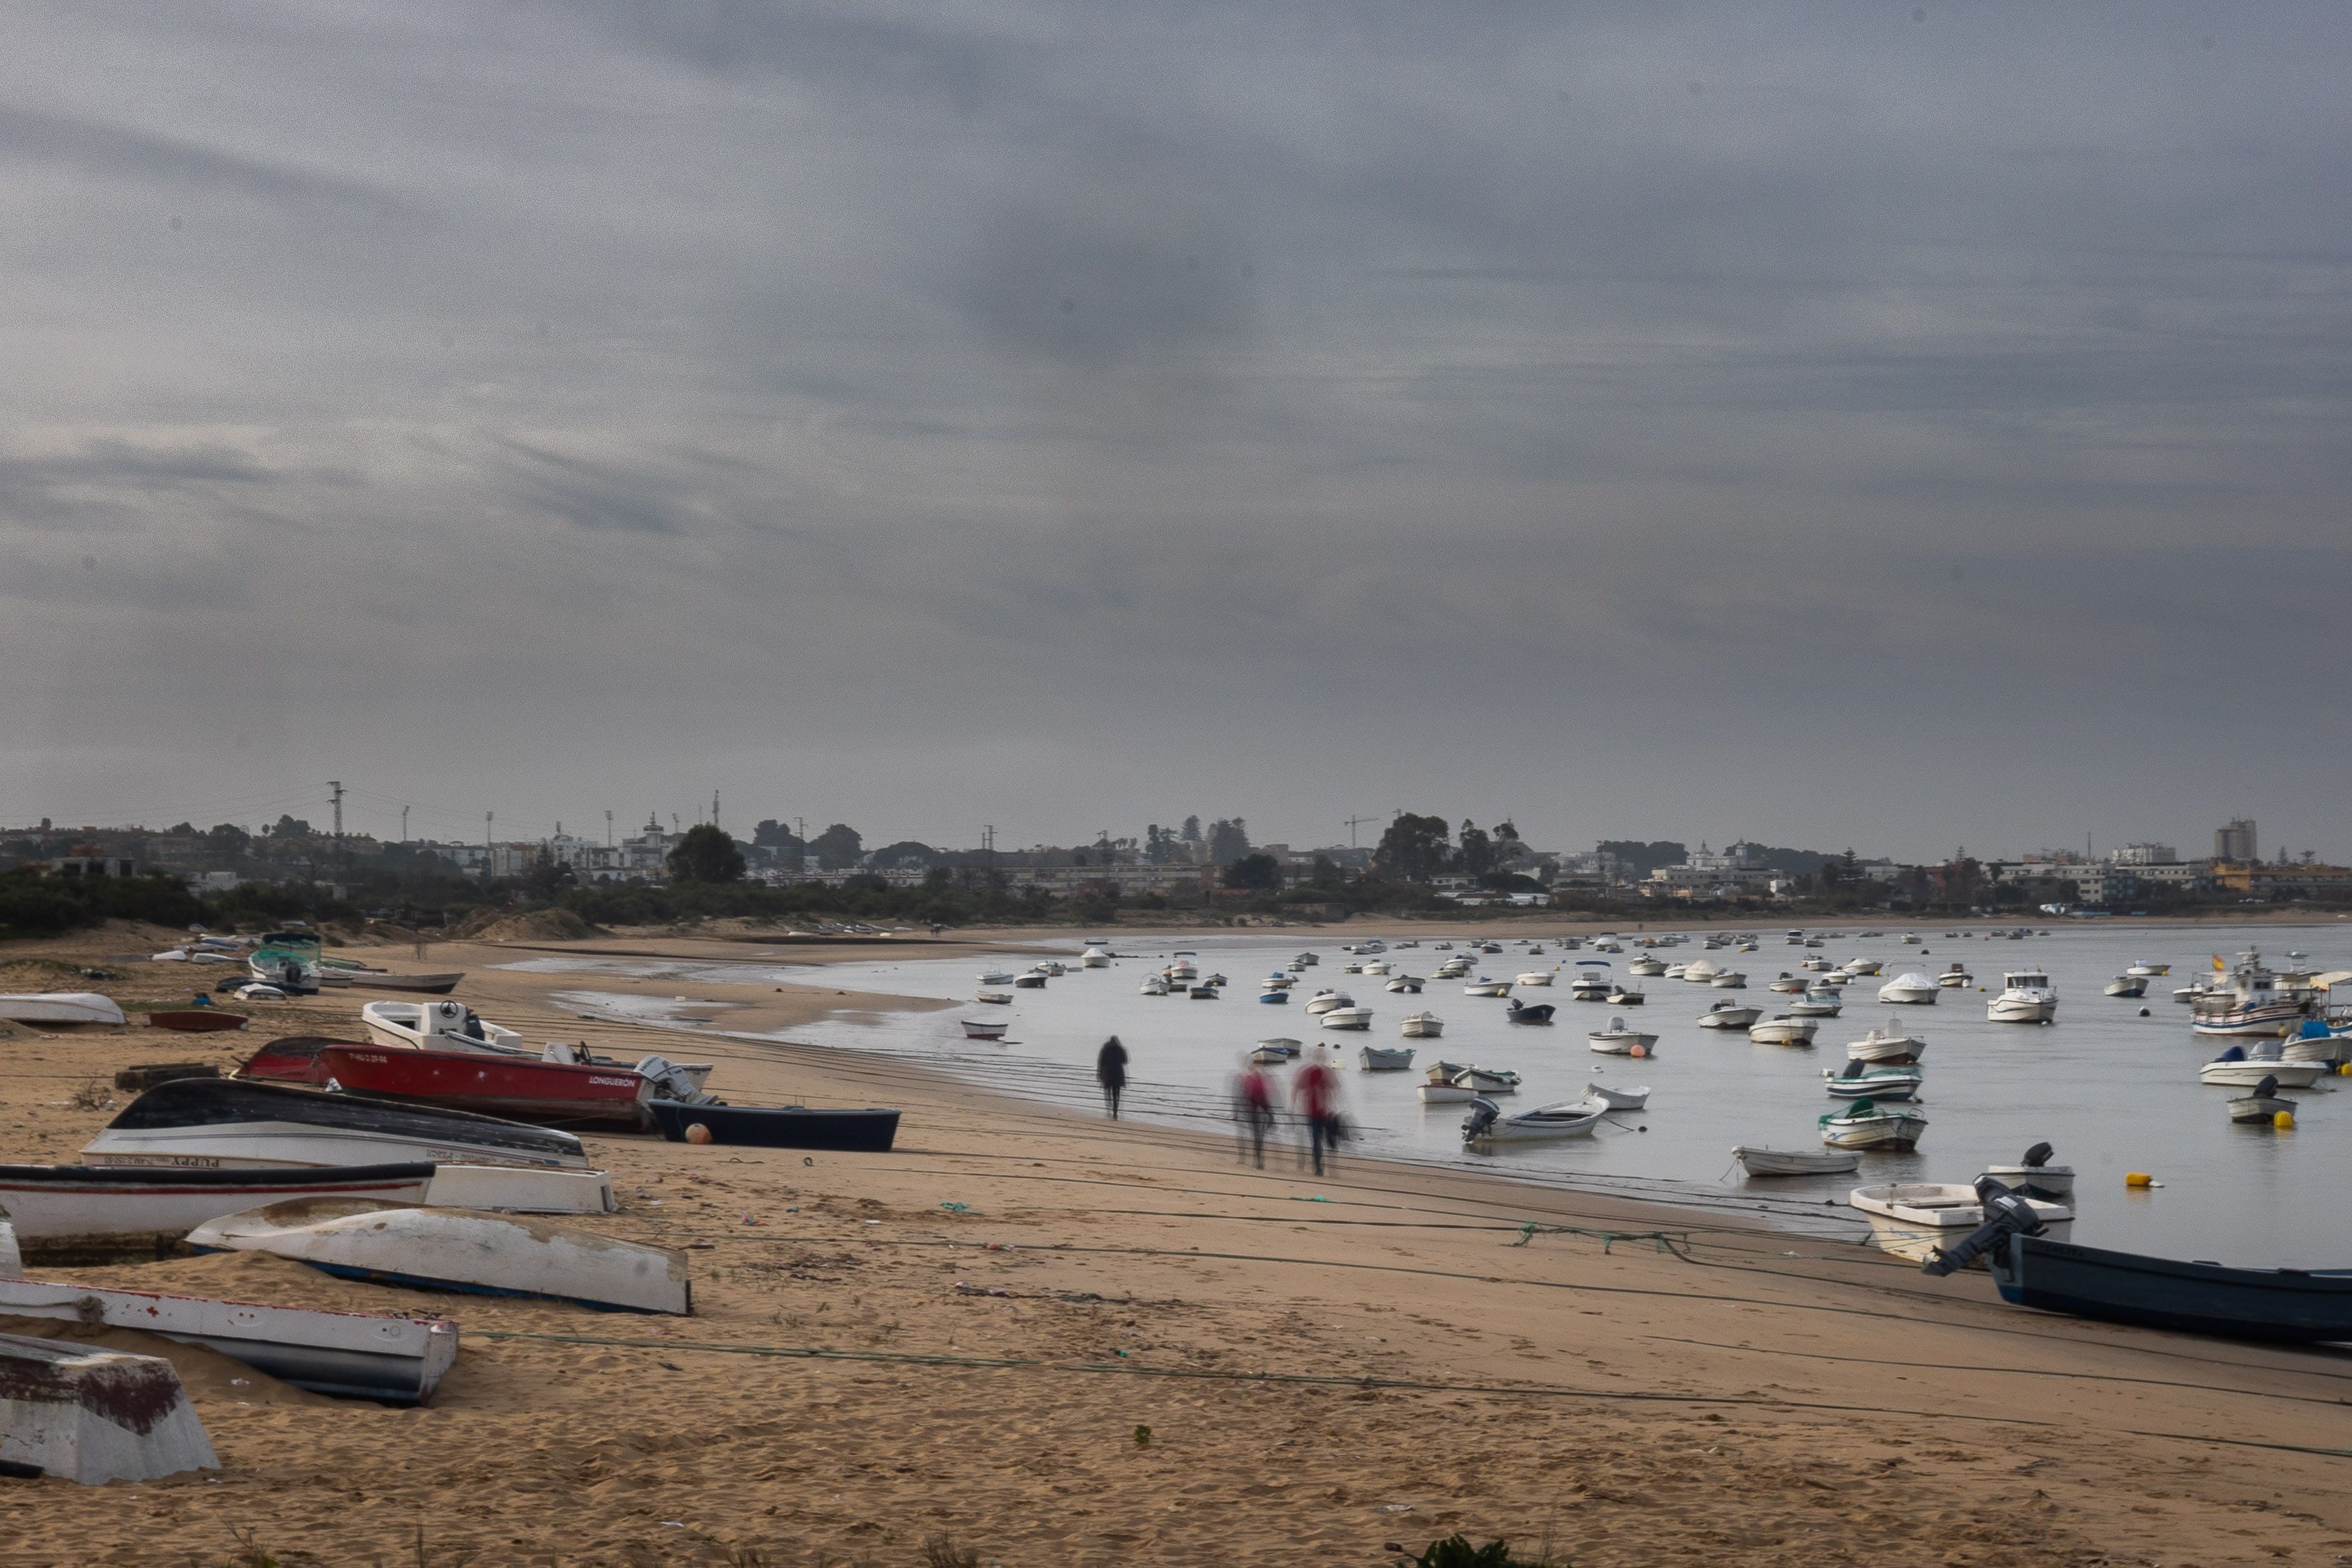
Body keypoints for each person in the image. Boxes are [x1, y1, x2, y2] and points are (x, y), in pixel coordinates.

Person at [1294, 1048, 1340, 1176]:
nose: (1320, 1059)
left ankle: (1324, 1164)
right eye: (1318, 1057)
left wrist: (1334, 1108)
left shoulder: (1328, 1072)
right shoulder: (1307, 1072)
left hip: (1326, 1113)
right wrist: (1294, 1106)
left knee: (1329, 1139)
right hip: (1311, 1113)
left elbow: (1335, 1090)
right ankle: (1318, 1166)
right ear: (1314, 1058)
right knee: (1316, 1139)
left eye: (1322, 1057)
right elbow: (1297, 1088)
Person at [1234, 1057, 1275, 1167]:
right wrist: (1237, 1111)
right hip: (1251, 1109)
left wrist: (1270, 1114)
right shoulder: (1248, 1079)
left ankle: (1258, 1158)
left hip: (1261, 1107)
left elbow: (1267, 1096)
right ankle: (1258, 1160)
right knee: (1257, 1134)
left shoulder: (1262, 1079)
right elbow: (1243, 1095)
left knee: (1260, 1134)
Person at [1096, 1035, 1129, 1119]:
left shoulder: (1105, 1049)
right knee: (1116, 1094)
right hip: (1118, 1074)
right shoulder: (1120, 1049)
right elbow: (1125, 1061)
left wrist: (1099, 1074)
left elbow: (1101, 1062)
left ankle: (1108, 1108)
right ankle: (1115, 1111)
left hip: (1108, 1074)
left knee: (1107, 1093)